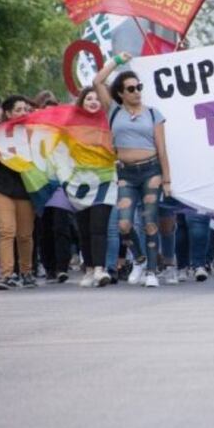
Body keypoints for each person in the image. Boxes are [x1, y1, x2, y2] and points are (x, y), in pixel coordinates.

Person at [93, 51, 172, 289]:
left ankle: (151, 271)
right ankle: (139, 259)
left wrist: (167, 180)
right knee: (124, 225)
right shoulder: (114, 110)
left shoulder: (153, 114)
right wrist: (117, 61)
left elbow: (162, 148)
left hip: (151, 171)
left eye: (139, 87)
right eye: (130, 88)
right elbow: (97, 81)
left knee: (149, 222)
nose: (136, 91)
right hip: (126, 173)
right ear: (120, 93)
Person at [0, 95, 38, 290]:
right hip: (1, 188)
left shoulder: (33, 133)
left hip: (25, 189)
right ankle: (7, 275)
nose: (23, 113)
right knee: (6, 231)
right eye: (19, 110)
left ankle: (26, 272)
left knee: (25, 235)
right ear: (8, 113)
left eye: (26, 109)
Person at [74, 87, 116, 288]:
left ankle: (100, 268)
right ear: (81, 102)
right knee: (84, 228)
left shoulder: (110, 123)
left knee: (98, 227)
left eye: (97, 98)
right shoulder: (71, 127)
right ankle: (89, 269)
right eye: (88, 98)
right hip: (79, 183)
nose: (93, 101)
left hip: (105, 180)